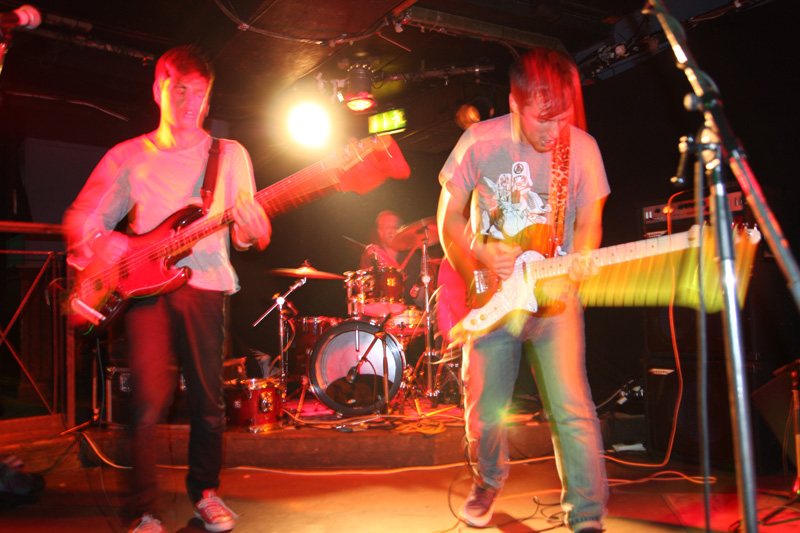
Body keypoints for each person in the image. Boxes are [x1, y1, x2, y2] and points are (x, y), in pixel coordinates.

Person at [63, 45, 271, 533]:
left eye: (199, 93)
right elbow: (84, 217)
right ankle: (143, 512)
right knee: (147, 402)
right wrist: (105, 243)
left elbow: (247, 236)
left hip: (207, 284)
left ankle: (206, 494)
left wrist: (254, 229)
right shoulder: (129, 155)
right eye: (180, 90)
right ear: (158, 90)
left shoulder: (230, 154)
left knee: (208, 401)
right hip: (144, 288)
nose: (190, 102)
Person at [436, 47, 609, 532]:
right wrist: (478, 251)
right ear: (515, 104)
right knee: (485, 413)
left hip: (554, 298)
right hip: (493, 298)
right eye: (542, 119)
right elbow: (447, 219)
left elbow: (590, 222)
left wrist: (582, 256)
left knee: (573, 408)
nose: (554, 132)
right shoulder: (478, 142)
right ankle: (488, 481)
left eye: (563, 117)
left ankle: (587, 515)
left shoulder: (583, 149)